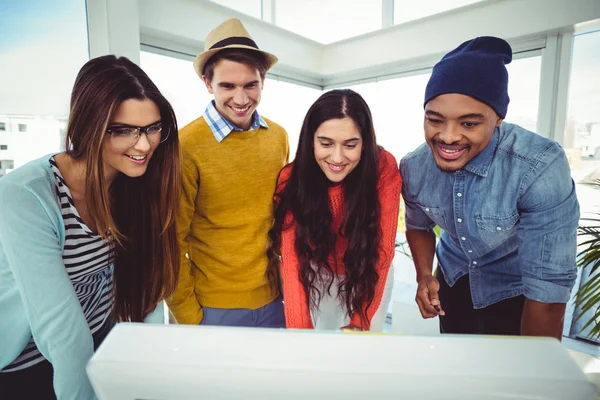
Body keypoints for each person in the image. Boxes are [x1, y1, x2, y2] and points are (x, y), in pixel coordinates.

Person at [0, 55, 181, 399]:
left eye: (152, 128)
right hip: (27, 364)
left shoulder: (134, 183)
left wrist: (153, 371)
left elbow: (148, 295)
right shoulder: (25, 196)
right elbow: (62, 331)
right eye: (122, 130)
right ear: (88, 127)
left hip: (101, 340)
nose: (144, 145)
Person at [400, 36, 580, 340]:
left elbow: (547, 288)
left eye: (469, 124)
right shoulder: (414, 166)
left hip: (517, 293)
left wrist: (536, 378)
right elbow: (418, 226)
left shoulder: (539, 166)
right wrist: (423, 275)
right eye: (435, 120)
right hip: (453, 281)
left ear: (498, 118)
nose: (448, 137)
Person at [167, 18, 289, 328]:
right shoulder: (185, 145)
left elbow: (280, 217)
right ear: (208, 84)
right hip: (211, 308)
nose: (241, 97)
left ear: (263, 81)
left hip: (274, 300)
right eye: (227, 86)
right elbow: (169, 240)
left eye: (251, 84)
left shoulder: (279, 137)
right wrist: (189, 316)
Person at [267, 89, 401, 331]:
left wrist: (360, 322)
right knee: (319, 344)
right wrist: (300, 330)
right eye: (326, 144)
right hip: (319, 272)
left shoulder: (383, 168)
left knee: (362, 350)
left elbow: (381, 253)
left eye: (350, 145)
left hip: (368, 272)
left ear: (365, 142)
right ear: (310, 141)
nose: (337, 158)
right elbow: (292, 260)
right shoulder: (290, 179)